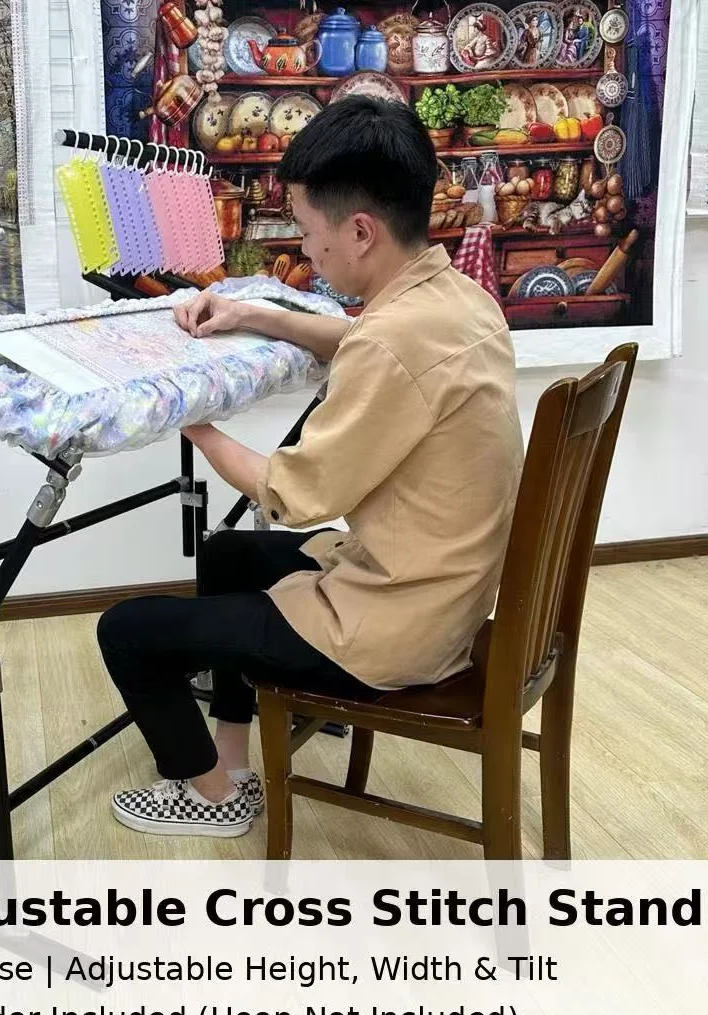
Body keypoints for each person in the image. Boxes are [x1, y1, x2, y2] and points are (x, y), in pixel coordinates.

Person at [97, 96, 524, 838]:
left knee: (127, 631)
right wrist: (255, 314)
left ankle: (209, 796)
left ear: (359, 232)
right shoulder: (457, 298)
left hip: (399, 626)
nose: (306, 246)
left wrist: (188, 417)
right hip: (444, 587)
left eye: (307, 227)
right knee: (228, 555)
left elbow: (290, 494)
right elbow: (363, 340)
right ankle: (234, 759)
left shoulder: (392, 343)